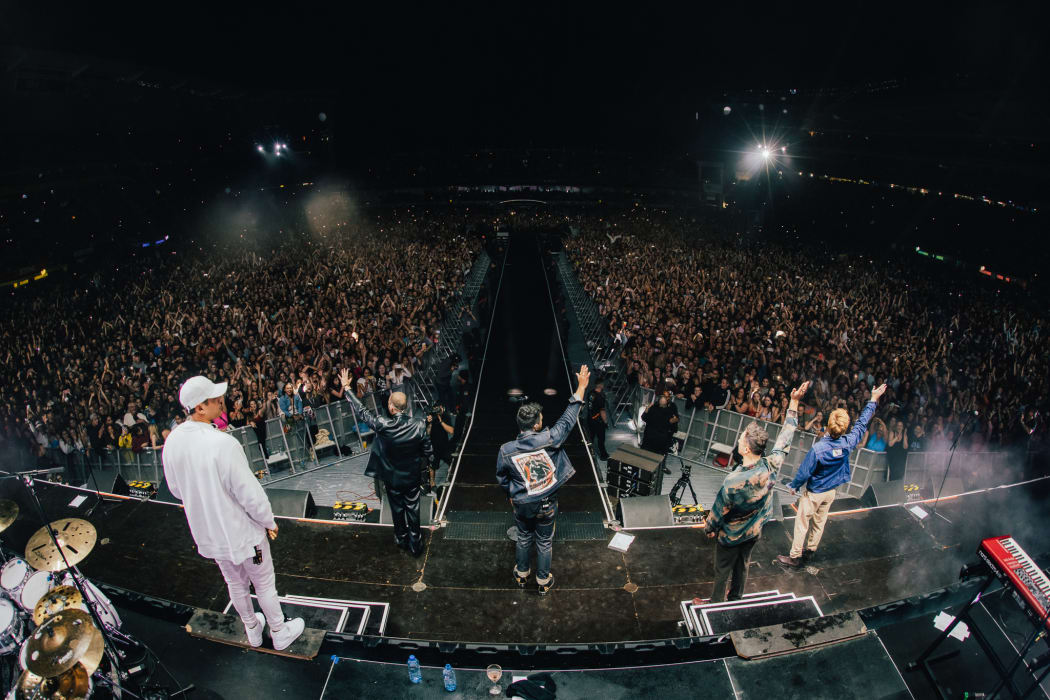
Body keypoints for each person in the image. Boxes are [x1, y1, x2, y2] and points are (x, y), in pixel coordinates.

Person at [161, 376, 305, 651]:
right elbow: (249, 494)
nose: (221, 401)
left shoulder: (174, 442)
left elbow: (177, 490)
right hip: (244, 531)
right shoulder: (222, 444)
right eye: (214, 399)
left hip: (210, 533)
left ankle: (252, 629)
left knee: (234, 582)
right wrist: (268, 521)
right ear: (200, 408)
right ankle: (279, 631)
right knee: (263, 582)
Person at [703, 381, 807, 602]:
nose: (739, 440)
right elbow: (786, 436)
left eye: (741, 439)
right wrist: (794, 402)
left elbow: (718, 512)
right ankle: (736, 598)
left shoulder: (733, 480)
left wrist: (709, 529)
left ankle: (715, 604)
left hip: (731, 535)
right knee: (743, 566)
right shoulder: (772, 464)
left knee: (722, 570)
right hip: (754, 531)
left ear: (746, 448)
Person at [497, 364, 589, 595]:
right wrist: (581, 387)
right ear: (537, 424)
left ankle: (521, 575)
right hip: (547, 503)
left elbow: (502, 478)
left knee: (524, 537)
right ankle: (542, 581)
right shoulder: (550, 438)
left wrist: (512, 496)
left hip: (522, 504)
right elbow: (568, 418)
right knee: (544, 541)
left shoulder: (506, 450)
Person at [776, 383, 887, 569]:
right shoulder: (848, 443)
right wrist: (873, 400)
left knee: (802, 522)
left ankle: (795, 557)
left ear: (828, 425)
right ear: (844, 428)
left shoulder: (818, 449)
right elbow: (861, 423)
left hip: (814, 493)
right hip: (831, 492)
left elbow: (804, 472)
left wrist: (794, 486)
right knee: (819, 522)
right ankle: (810, 551)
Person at [339, 368, 434, 556]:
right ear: (404, 408)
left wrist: (347, 388)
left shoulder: (383, 424)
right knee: (413, 510)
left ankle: (401, 538)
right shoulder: (419, 425)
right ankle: (416, 544)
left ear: (391, 407)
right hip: (412, 477)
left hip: (392, 478)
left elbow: (362, 412)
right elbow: (429, 452)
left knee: (397, 510)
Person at [641, 391, 679, 474]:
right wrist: (647, 410)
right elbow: (645, 417)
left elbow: (675, 418)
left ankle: (662, 466)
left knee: (662, 452)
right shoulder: (654, 407)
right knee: (650, 450)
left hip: (661, 436)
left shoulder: (672, 407)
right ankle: (645, 466)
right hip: (653, 435)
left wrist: (674, 422)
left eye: (666, 397)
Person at [426, 404, 455, 491]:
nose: (437, 410)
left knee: (452, 461)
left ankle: (452, 478)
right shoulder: (431, 417)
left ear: (442, 408)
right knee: (432, 465)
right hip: (434, 445)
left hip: (445, 445)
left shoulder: (446, 416)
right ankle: (432, 483)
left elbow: (451, 431)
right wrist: (429, 423)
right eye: (435, 408)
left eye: (439, 408)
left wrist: (441, 421)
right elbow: (427, 433)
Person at [587, 379, 610, 461]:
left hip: (590, 418)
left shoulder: (590, 393)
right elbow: (602, 411)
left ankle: (588, 453)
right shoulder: (600, 397)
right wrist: (606, 422)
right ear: (600, 385)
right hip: (598, 421)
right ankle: (603, 455)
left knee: (590, 437)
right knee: (601, 439)